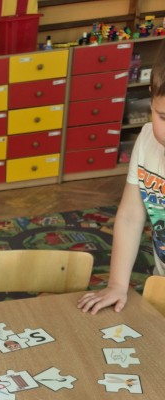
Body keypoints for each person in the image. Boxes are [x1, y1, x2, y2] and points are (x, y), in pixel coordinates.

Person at [78, 41, 165, 315]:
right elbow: (130, 216)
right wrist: (117, 284)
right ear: (151, 96)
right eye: (163, 116)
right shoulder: (146, 140)